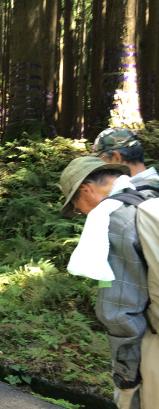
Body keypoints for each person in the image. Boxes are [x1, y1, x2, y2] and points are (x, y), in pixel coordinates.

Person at [60, 156, 159, 409]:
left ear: (86, 189)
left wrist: (126, 376)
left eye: (76, 205)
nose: (81, 213)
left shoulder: (112, 218)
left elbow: (120, 311)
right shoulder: (150, 194)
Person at [91, 127, 159, 186]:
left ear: (116, 157)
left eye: (100, 160)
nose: (99, 166)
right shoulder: (152, 184)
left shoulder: (136, 192)